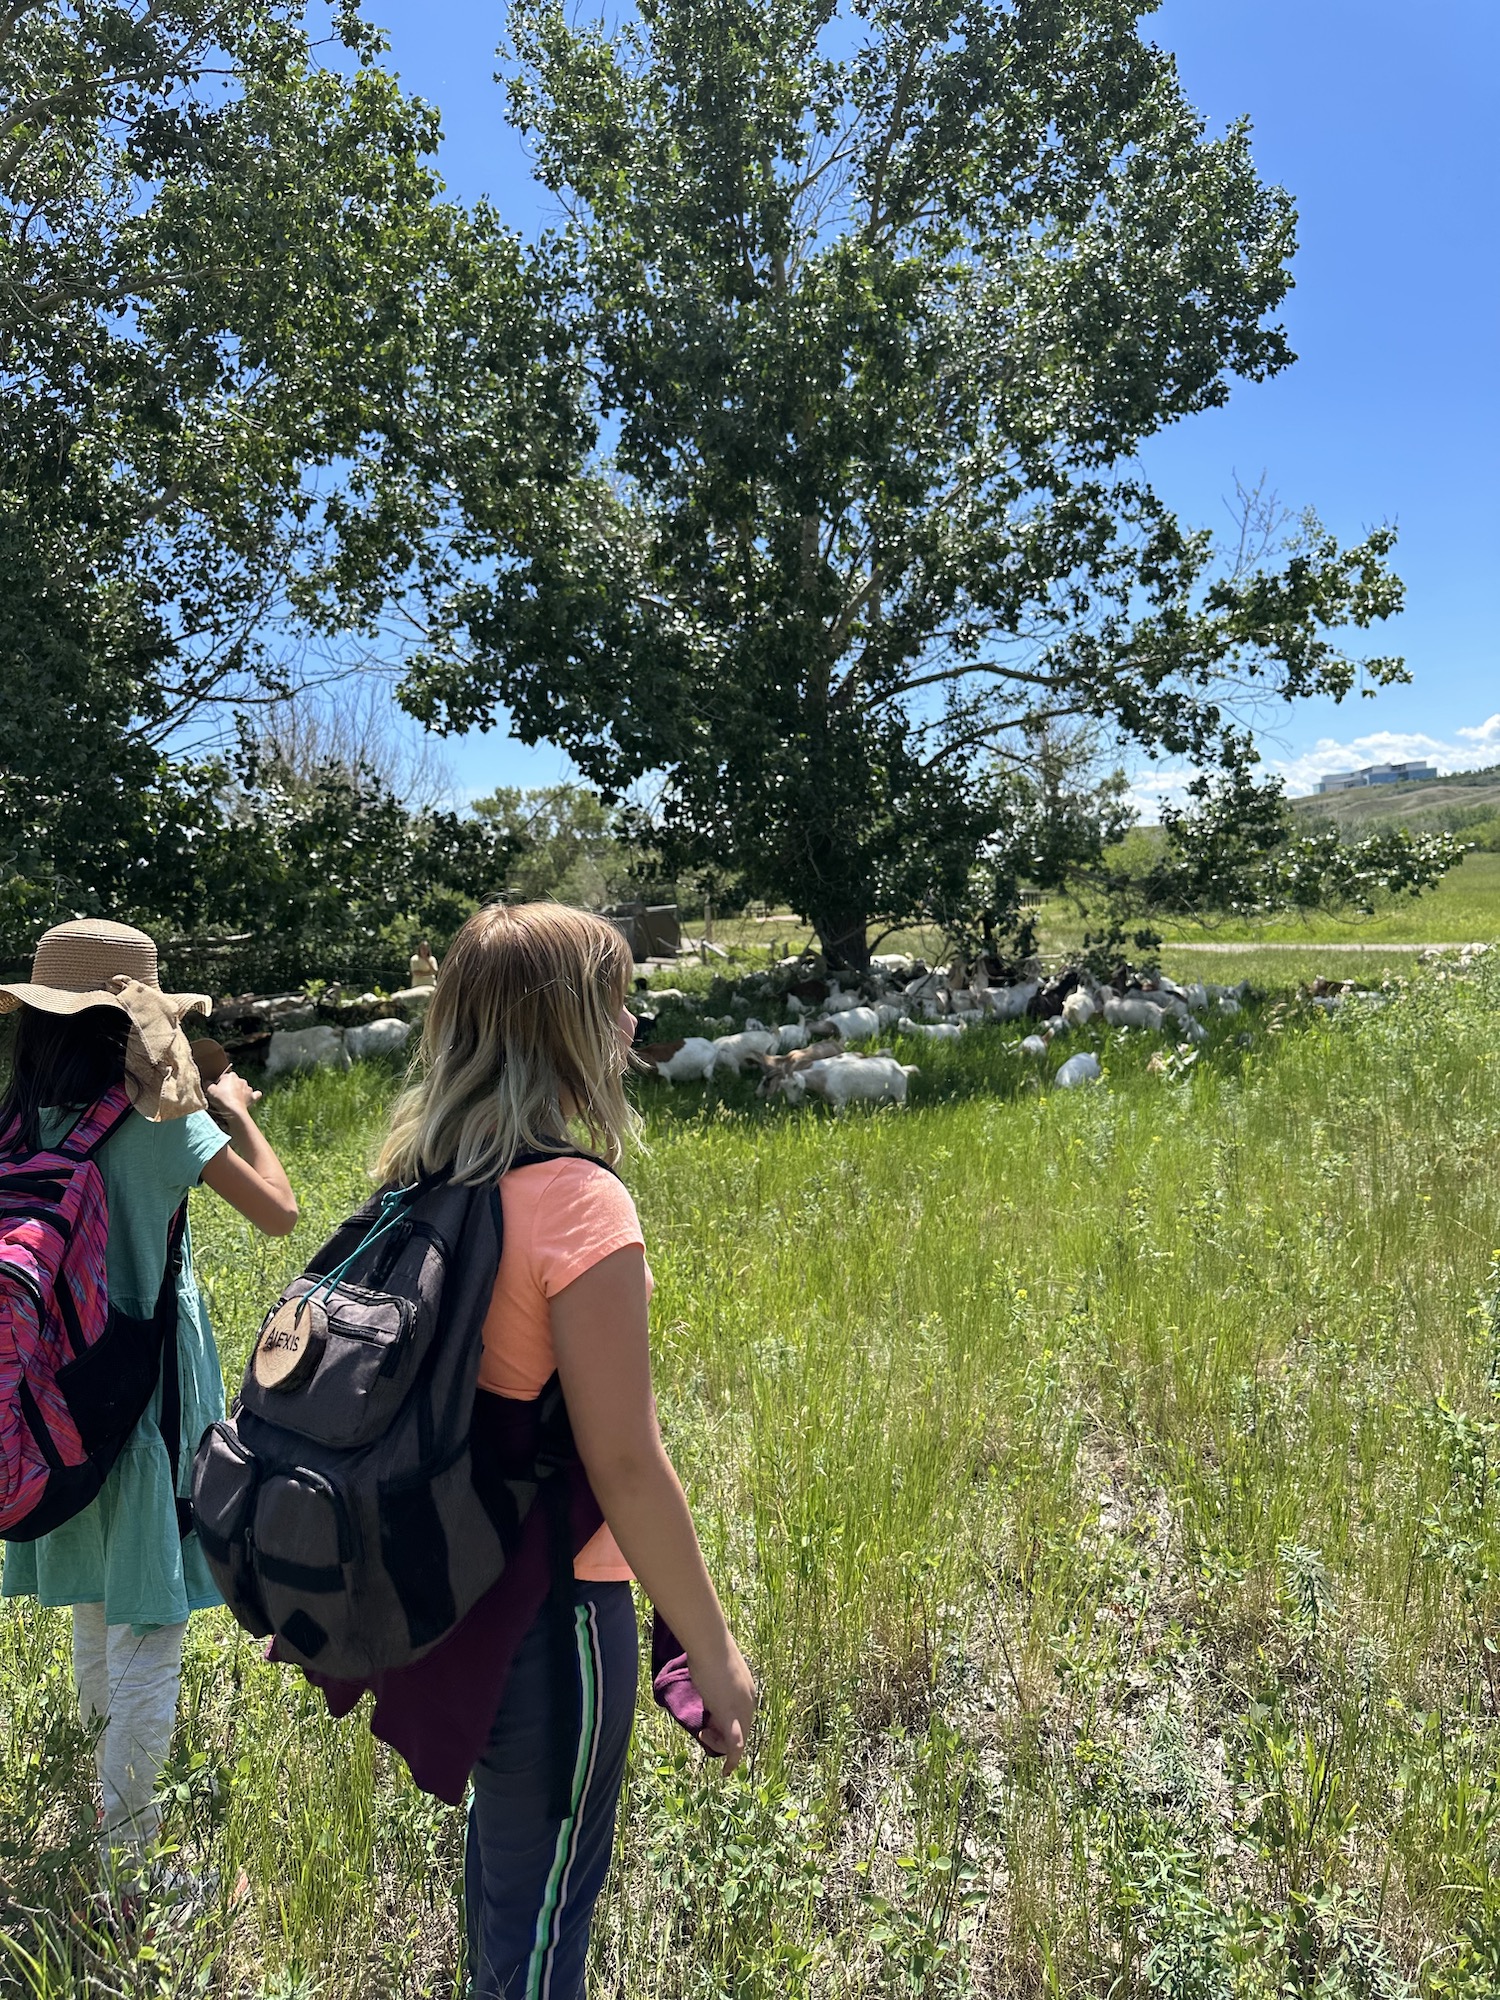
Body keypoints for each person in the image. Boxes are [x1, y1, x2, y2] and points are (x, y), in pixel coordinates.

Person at [374, 901, 755, 2000]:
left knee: (507, 1891)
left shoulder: (419, 1181)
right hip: (557, 1613)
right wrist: (712, 1650)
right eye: (615, 1003)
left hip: (448, 1593)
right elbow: (624, 1462)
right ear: (567, 1029)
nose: (632, 1026)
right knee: (544, 1929)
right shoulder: (580, 1202)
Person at [0, 919, 298, 1891]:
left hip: (53, 1406)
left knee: (100, 1616)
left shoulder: (21, 1122)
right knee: (151, 1636)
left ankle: (104, 1823)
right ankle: (130, 1874)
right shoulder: (164, 1124)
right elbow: (279, 1211)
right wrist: (235, 1109)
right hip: (147, 1406)